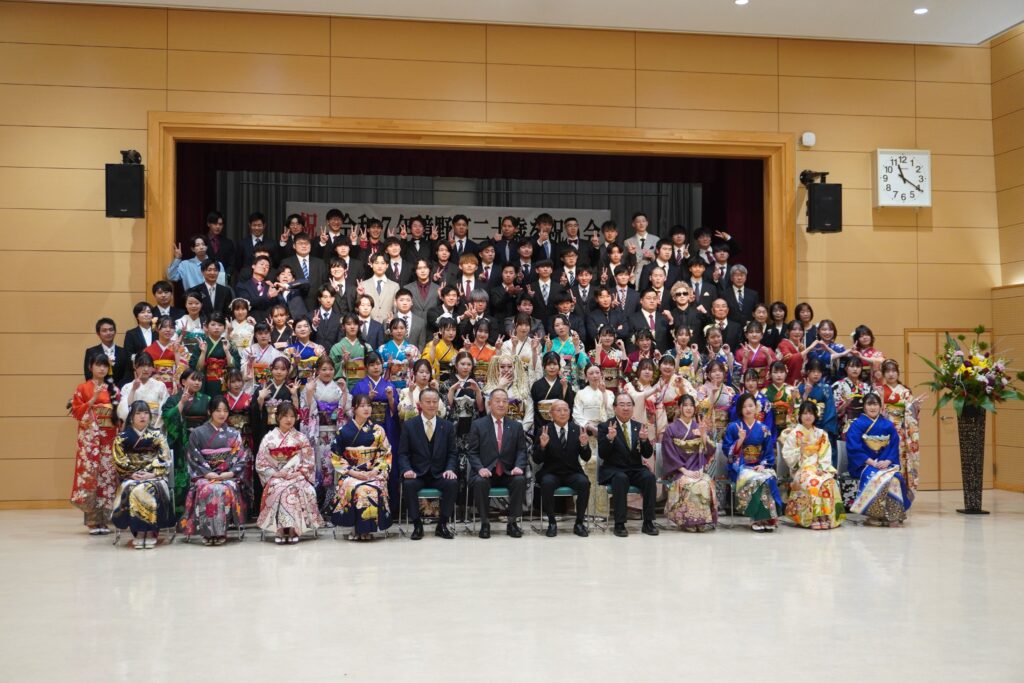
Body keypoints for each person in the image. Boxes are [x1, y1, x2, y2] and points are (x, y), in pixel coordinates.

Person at [182, 396, 250, 545]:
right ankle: (208, 532)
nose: (222, 414)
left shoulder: (233, 434)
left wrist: (230, 473)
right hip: (205, 475)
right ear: (210, 411)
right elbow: (194, 456)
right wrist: (207, 473)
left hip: (227, 476)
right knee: (207, 488)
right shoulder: (197, 433)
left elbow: (241, 457)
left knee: (221, 489)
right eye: (218, 410)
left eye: (225, 410)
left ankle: (220, 531)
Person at [256, 402, 323, 544]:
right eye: (285, 416)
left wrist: (299, 473)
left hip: (297, 476)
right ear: (277, 417)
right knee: (280, 487)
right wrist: (276, 474)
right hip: (276, 476)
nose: (289, 419)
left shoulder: (301, 438)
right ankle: (281, 529)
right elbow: (261, 463)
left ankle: (292, 529)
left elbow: (309, 462)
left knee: (295, 488)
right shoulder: (269, 438)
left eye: (292, 416)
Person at [397, 387, 459, 540]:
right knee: (409, 484)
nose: (432, 405)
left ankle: (442, 524)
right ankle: (417, 525)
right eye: (428, 402)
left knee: (452, 483)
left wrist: (450, 469)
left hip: (439, 473)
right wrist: (407, 470)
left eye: (435, 402)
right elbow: (403, 453)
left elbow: (452, 452)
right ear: (420, 404)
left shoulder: (447, 426)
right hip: (417, 473)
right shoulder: (410, 425)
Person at [110, 401, 174, 548]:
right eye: (138, 413)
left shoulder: (157, 435)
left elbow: (164, 458)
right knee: (136, 488)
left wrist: (151, 474)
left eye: (145, 413)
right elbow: (119, 460)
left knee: (143, 489)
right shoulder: (122, 437)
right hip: (131, 476)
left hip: (154, 477)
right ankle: (140, 531)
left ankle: (148, 531)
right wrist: (132, 474)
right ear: (131, 417)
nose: (142, 416)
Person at [330, 393, 393, 540]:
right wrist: (353, 473)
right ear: (354, 409)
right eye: (362, 406)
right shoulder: (344, 431)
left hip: (373, 472)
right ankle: (356, 529)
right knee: (355, 487)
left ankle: (367, 530)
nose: (367, 409)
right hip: (351, 473)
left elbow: (386, 454)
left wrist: (376, 470)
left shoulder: (378, 430)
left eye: (369, 405)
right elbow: (336, 457)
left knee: (370, 488)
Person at [467, 388, 528, 538]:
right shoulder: (478, 425)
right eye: (497, 401)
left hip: (507, 471)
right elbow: (472, 452)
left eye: (504, 401)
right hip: (486, 471)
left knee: (519, 480)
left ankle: (512, 522)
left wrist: (518, 467)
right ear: (490, 403)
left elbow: (521, 451)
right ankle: (485, 523)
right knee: (480, 482)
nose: (501, 404)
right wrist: (480, 468)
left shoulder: (516, 426)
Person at [70, 353, 119, 534]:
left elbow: (118, 414)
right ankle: (92, 520)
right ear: (91, 367)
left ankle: (104, 520)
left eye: (105, 366)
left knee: (106, 476)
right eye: (98, 365)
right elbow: (76, 411)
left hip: (109, 437)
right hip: (90, 438)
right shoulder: (83, 388)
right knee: (91, 475)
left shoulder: (113, 388)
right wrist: (92, 400)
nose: (101, 369)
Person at [598, 393, 658, 537]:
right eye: (622, 405)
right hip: (614, 469)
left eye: (629, 405)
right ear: (614, 407)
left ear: (633, 407)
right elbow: (602, 454)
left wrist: (644, 441)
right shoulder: (605, 426)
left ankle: (648, 522)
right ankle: (619, 524)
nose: (626, 408)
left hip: (635, 468)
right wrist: (609, 439)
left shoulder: (639, 426)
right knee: (620, 478)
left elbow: (647, 454)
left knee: (649, 478)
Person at [722, 393, 783, 532]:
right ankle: (756, 517)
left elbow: (768, 452)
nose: (748, 409)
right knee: (755, 479)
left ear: (756, 408)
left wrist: (763, 464)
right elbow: (727, 451)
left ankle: (769, 517)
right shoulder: (733, 427)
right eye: (744, 406)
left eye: (751, 405)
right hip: (740, 466)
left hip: (759, 465)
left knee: (768, 477)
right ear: (740, 409)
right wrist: (740, 440)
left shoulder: (764, 428)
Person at [847, 393, 911, 526]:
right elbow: (854, 448)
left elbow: (893, 445)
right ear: (864, 407)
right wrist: (872, 462)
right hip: (864, 464)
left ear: (880, 406)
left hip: (884, 462)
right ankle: (873, 515)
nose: (872, 407)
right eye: (869, 404)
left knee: (894, 478)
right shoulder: (857, 425)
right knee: (877, 477)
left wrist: (887, 461)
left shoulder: (887, 425)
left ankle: (893, 515)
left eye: (875, 404)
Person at [781, 401, 845, 530]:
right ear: (800, 416)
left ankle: (825, 516)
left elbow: (825, 454)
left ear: (815, 415)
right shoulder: (794, 434)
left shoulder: (822, 434)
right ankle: (813, 517)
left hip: (818, 467)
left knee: (829, 482)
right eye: (804, 413)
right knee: (813, 482)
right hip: (802, 468)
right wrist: (799, 451)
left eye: (810, 413)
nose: (808, 416)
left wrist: (822, 468)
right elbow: (787, 454)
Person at [534, 400, 591, 537]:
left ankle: (579, 523)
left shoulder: (577, 429)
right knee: (547, 483)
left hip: (572, 472)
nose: (562, 413)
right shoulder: (544, 430)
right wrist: (542, 446)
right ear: (551, 414)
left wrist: (584, 445)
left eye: (565, 410)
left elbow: (586, 457)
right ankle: (552, 523)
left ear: (570, 413)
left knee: (584, 483)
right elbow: (537, 459)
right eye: (558, 410)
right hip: (551, 472)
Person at [661, 395, 717, 532]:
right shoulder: (671, 429)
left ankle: (702, 520)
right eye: (685, 405)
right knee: (689, 483)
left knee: (705, 482)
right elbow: (668, 453)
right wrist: (684, 471)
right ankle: (688, 521)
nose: (688, 408)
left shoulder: (698, 427)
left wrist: (703, 435)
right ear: (679, 408)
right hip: (679, 470)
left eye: (691, 405)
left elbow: (710, 451)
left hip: (696, 468)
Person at [300, 357, 349, 514]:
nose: (328, 372)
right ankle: (316, 506)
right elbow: (306, 412)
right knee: (318, 467)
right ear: (317, 371)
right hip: (317, 433)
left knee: (333, 467)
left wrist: (344, 393)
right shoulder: (311, 387)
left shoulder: (338, 387)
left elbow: (346, 410)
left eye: (330, 369)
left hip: (334, 432)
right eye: (324, 369)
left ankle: (332, 507)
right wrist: (308, 394)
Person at [162, 368, 211, 514]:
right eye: (193, 379)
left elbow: (211, 420)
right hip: (180, 442)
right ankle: (180, 513)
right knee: (181, 476)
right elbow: (167, 417)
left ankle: (202, 511)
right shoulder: (173, 399)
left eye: (200, 380)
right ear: (183, 382)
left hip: (201, 441)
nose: (197, 382)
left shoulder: (206, 399)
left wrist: (200, 432)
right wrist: (181, 403)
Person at [878, 359, 922, 495]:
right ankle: (885, 493)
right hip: (884, 432)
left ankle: (901, 494)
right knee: (884, 460)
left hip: (902, 432)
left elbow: (911, 414)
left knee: (901, 459)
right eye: (887, 371)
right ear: (883, 374)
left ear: (898, 373)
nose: (891, 374)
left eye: (894, 371)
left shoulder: (905, 391)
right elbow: (873, 411)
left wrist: (915, 407)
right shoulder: (879, 390)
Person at [190, 312, 239, 397]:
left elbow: (235, 366)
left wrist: (227, 351)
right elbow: (196, 368)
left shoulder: (229, 344)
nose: (216, 328)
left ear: (224, 328)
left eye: (220, 325)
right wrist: (203, 352)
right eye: (213, 324)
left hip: (223, 382)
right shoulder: (201, 344)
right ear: (206, 327)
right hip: (205, 381)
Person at [116, 353, 169, 428]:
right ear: (135, 366)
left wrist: (156, 428)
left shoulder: (160, 386)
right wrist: (133, 390)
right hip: (134, 429)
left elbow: (164, 409)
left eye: (149, 366)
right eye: (142, 365)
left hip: (155, 428)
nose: (146, 369)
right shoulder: (127, 387)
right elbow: (124, 413)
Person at [531, 352, 575, 437]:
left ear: (559, 366)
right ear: (544, 366)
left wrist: (565, 387)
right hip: (542, 425)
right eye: (548, 364)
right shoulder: (536, 385)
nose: (552, 367)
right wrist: (542, 427)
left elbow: (569, 405)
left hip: (561, 425)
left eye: (554, 364)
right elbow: (536, 410)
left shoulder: (565, 383)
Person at [83, 317, 130, 387]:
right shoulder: (91, 352)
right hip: (98, 391)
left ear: (115, 332)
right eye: (104, 330)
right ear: (98, 333)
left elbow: (127, 375)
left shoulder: (124, 352)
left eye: (111, 330)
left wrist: (116, 390)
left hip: (120, 391)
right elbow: (89, 375)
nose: (108, 333)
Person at [329, 313, 371, 389]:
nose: (352, 327)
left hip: (363, 385)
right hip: (344, 385)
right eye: (348, 324)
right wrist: (343, 362)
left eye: (355, 324)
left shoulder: (366, 347)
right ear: (343, 327)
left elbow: (372, 366)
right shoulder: (336, 348)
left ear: (359, 326)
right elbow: (330, 369)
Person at [145, 316, 183, 394]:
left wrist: (176, 353)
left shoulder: (181, 348)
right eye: (164, 327)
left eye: (171, 327)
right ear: (156, 329)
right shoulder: (147, 350)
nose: (168, 330)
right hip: (154, 387)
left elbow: (184, 370)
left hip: (174, 387)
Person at [734, 321, 777, 388]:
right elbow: (738, 374)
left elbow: (774, 370)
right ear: (746, 335)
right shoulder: (740, 352)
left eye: (757, 332)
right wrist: (745, 358)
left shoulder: (768, 350)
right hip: (748, 386)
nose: (754, 335)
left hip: (765, 386)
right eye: (751, 332)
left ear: (762, 335)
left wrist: (768, 356)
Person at [284, 317, 325, 386]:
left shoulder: (318, 348)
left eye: (306, 326)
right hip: (295, 386)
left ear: (310, 329)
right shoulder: (289, 350)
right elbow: (283, 371)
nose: (303, 329)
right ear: (294, 331)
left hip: (316, 385)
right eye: (299, 327)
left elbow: (326, 368)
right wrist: (295, 363)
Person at [361, 253, 399, 323]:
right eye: (376, 263)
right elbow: (359, 306)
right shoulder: (363, 285)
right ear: (371, 265)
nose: (379, 266)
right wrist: (359, 294)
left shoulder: (395, 286)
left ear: (387, 265)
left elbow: (397, 309)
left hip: (388, 324)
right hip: (369, 324)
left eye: (382, 263)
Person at [777, 320, 811, 385]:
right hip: (786, 381)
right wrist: (801, 353)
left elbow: (804, 367)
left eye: (800, 330)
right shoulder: (783, 344)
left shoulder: (802, 346)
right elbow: (790, 359)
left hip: (801, 382)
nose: (797, 332)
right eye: (794, 329)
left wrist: (802, 352)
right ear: (788, 331)